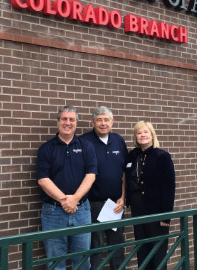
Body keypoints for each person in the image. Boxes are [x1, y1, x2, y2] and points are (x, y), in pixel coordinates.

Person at [36, 105, 97, 270]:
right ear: (58, 122)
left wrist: (75, 199)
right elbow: (43, 179)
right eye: (64, 119)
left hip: (82, 211)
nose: (67, 123)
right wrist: (66, 201)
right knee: (56, 263)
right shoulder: (46, 149)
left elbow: (91, 175)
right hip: (53, 213)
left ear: (76, 123)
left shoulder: (86, 146)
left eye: (71, 119)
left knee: (83, 261)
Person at [80, 106, 128, 270]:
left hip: (115, 204)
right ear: (92, 122)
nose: (103, 123)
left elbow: (124, 172)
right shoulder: (84, 141)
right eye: (99, 120)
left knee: (117, 246)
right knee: (95, 248)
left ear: (112, 122)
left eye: (106, 120)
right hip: (93, 204)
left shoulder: (119, 140)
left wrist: (123, 197)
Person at [125, 121, 176, 270]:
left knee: (158, 251)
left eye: (145, 132)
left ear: (152, 135)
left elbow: (169, 188)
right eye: (139, 133)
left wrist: (166, 217)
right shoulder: (132, 155)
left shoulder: (162, 156)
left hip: (156, 211)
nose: (142, 135)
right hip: (137, 210)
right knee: (142, 249)